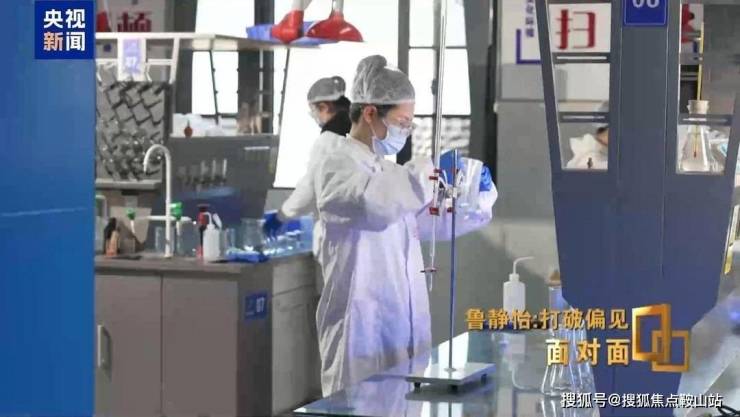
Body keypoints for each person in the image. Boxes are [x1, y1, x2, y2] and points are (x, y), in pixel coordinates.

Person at [310, 55, 497, 395]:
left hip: (399, 327)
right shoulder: (337, 166)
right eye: (402, 122)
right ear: (370, 113)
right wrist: (430, 171)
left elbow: (429, 220)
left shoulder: (388, 172)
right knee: (359, 404)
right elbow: (376, 205)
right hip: (360, 331)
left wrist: (476, 196)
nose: (406, 131)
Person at [263, 76, 351, 247]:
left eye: (314, 110)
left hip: (337, 238)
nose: (314, 116)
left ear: (324, 107)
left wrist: (281, 216)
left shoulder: (328, 142)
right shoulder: (360, 134)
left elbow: (310, 187)